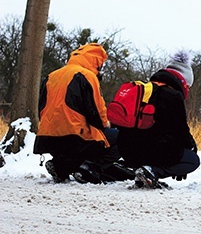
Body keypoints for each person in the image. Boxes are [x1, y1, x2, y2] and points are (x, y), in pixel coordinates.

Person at [34, 43, 130, 183]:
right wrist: (107, 124)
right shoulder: (87, 76)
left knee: (81, 141)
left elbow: (41, 108)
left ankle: (60, 166)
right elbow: (96, 113)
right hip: (74, 136)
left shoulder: (52, 76)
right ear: (96, 61)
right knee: (119, 138)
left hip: (46, 136)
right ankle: (90, 168)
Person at [116, 52, 200, 188]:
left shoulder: (142, 90)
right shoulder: (173, 95)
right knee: (191, 160)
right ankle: (152, 172)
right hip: (153, 153)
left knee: (157, 144)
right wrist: (190, 148)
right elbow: (180, 131)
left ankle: (143, 172)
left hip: (127, 150)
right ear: (184, 82)